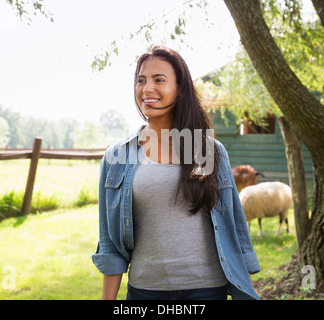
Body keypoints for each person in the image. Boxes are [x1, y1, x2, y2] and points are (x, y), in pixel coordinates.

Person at [91, 46, 260, 300]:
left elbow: (234, 228)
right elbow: (110, 244)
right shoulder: (117, 157)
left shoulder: (207, 150)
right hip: (145, 292)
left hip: (206, 290)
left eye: (159, 80)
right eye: (141, 80)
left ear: (180, 88)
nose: (147, 89)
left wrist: (247, 292)